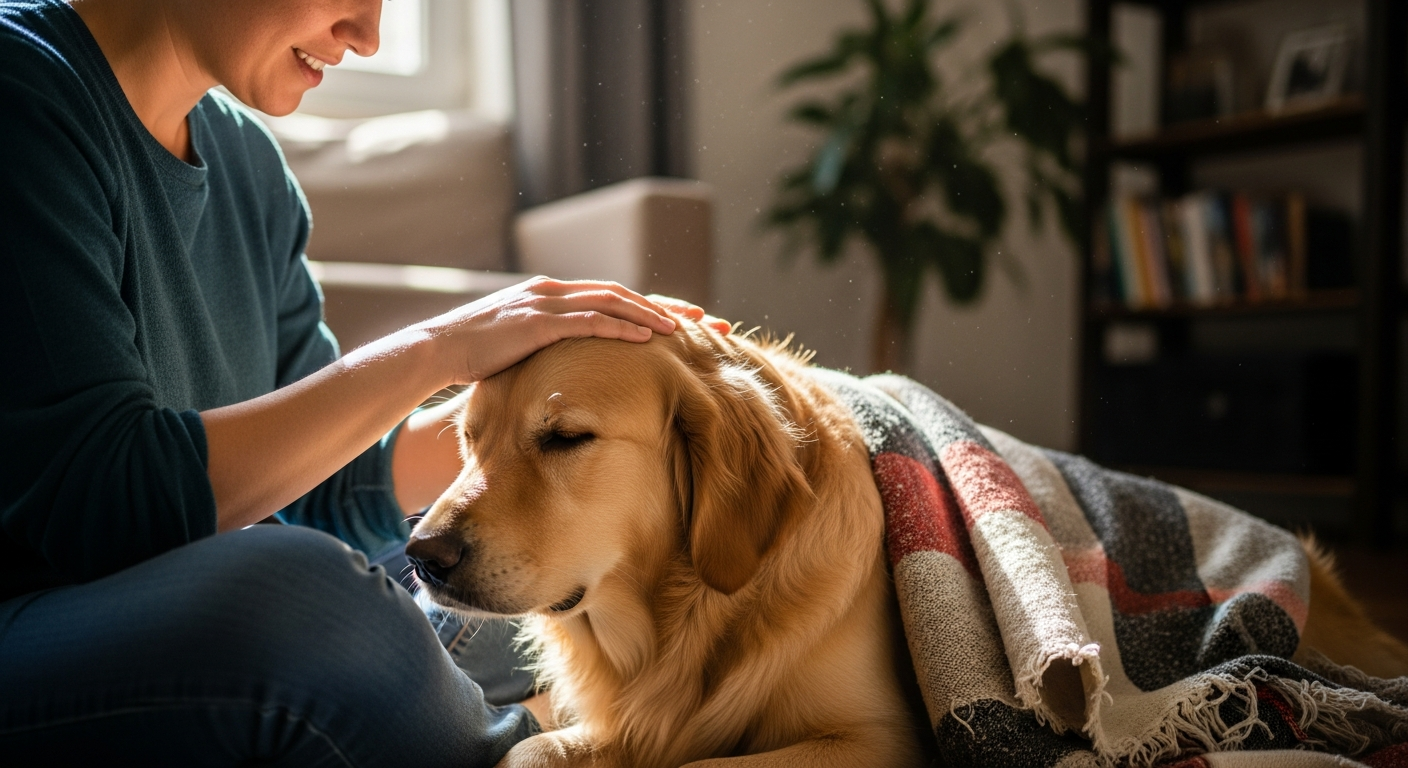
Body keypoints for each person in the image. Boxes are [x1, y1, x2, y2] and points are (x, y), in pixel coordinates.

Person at [0, 0, 719, 764]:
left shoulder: (250, 165)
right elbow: (102, 499)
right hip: (36, 622)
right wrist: (441, 348)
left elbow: (324, 486)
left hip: (194, 604)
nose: (367, 36)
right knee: (303, 602)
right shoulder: (22, 88)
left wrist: (612, 410)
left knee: (563, 598)